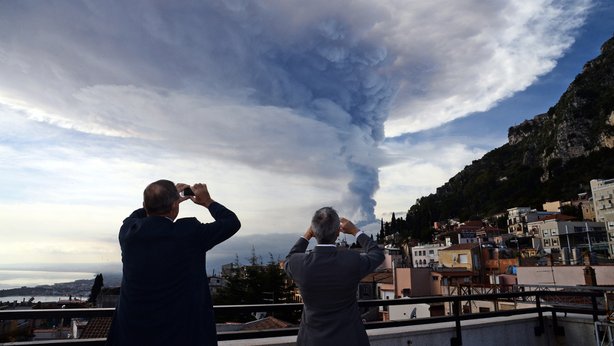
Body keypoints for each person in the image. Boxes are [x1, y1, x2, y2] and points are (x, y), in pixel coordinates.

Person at [106, 179, 241, 346]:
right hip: (182, 336)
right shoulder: (189, 233)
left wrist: (160, 200)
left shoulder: (128, 233)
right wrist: (207, 201)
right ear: (175, 206)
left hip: (131, 336)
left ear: (144, 205)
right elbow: (231, 222)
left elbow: (134, 216)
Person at [284, 207, 384, 346]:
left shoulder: (299, 264)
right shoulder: (351, 260)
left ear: (314, 231)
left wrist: (307, 235)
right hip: (350, 339)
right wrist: (356, 231)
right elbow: (377, 254)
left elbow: (289, 258)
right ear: (338, 232)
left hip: (312, 341)